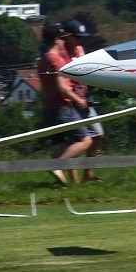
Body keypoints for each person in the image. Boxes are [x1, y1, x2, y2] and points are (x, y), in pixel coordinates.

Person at [37, 24, 94, 186]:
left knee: (59, 145)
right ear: (56, 40)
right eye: (61, 39)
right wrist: (78, 100)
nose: (63, 42)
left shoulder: (43, 60)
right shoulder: (54, 59)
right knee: (86, 140)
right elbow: (62, 88)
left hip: (49, 108)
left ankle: (60, 184)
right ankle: (58, 166)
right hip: (63, 107)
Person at [58, 19, 104, 181]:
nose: (81, 40)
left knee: (98, 135)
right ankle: (74, 181)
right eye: (78, 37)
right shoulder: (60, 54)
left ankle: (88, 174)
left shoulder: (80, 50)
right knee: (77, 140)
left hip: (84, 98)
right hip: (70, 102)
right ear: (68, 36)